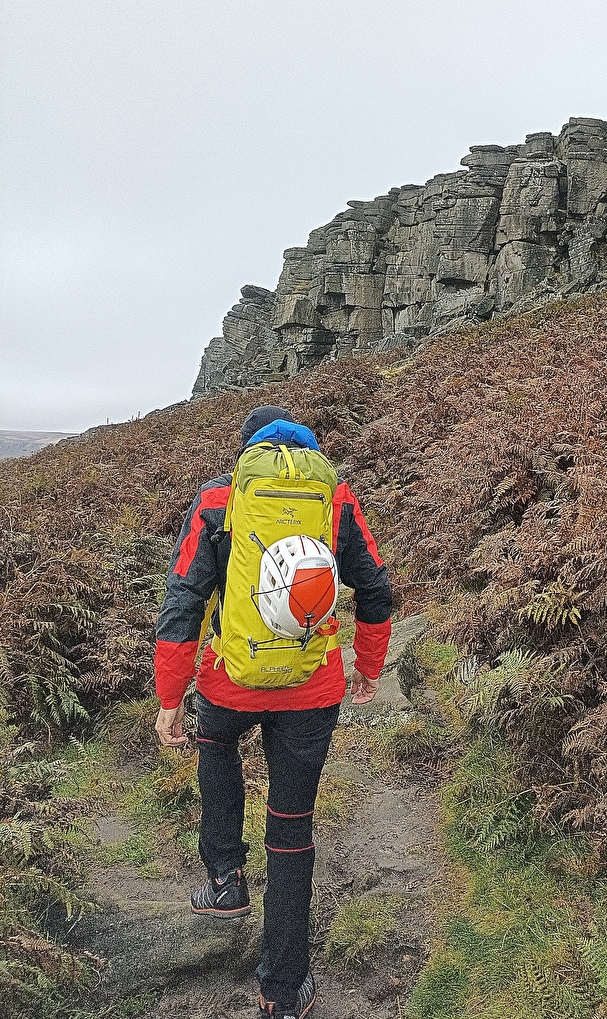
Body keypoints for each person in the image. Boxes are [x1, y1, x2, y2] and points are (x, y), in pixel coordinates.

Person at [154, 405, 392, 1019]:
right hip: (312, 690)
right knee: (290, 827)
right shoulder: (335, 498)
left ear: (248, 452)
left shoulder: (219, 499)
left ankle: (225, 879)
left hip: (230, 683)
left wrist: (170, 697)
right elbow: (376, 590)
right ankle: (283, 989)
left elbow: (184, 599)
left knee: (216, 741)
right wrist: (367, 667)